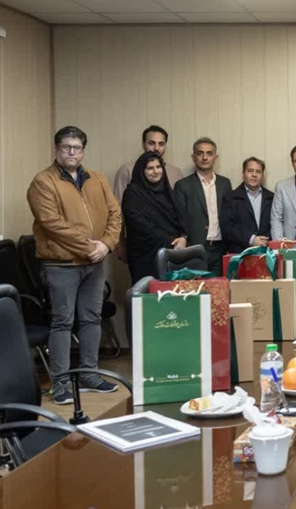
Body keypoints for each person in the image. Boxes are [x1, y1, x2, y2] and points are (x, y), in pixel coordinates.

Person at [27, 126, 122, 404]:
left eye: (77, 147)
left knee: (91, 319)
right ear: (57, 149)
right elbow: (52, 224)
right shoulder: (43, 181)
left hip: (94, 263)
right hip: (61, 265)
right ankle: (59, 383)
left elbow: (115, 214)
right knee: (62, 322)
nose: (72, 152)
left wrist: (107, 244)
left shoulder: (97, 178)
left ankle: (89, 375)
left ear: (83, 151)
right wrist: (90, 248)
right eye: (66, 147)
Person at [121, 152, 187, 282]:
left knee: (171, 292)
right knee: (148, 292)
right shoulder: (133, 193)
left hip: (172, 254)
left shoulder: (167, 192)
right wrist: (171, 241)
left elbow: (180, 219)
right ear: (142, 171)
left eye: (158, 167)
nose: (156, 171)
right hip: (145, 255)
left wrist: (183, 237)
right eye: (150, 168)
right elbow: (140, 225)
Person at [174, 137, 232, 275]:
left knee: (219, 287)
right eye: (200, 153)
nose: (205, 157)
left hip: (220, 249)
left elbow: (229, 215)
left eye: (209, 153)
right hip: (194, 249)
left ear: (215, 157)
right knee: (197, 287)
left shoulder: (225, 184)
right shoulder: (183, 185)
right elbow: (179, 218)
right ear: (193, 157)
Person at [112, 125, 184, 201]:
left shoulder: (176, 172)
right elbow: (118, 204)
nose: (156, 148)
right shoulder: (126, 171)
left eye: (161, 144)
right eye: (151, 143)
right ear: (143, 144)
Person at [220, 157, 274, 254]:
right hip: (240, 253)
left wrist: (265, 240)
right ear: (243, 173)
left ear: (262, 175)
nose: (254, 175)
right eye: (250, 171)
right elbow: (227, 227)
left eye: (258, 171)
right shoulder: (230, 197)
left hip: (266, 252)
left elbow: (276, 223)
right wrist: (251, 239)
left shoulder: (271, 197)